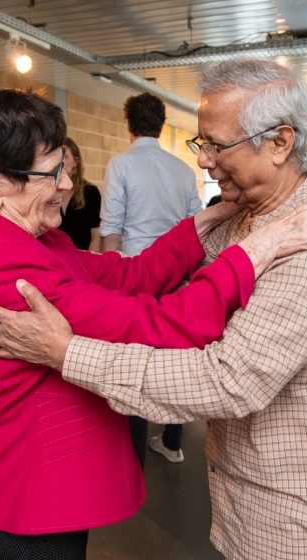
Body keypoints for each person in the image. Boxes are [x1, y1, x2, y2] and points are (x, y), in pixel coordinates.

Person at [0, 59, 307, 560]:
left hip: (303, 505)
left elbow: (226, 376)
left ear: (280, 143)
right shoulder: (257, 219)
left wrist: (67, 352)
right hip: (241, 488)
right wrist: (253, 243)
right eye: (201, 143)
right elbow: (158, 309)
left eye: (216, 145)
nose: (204, 161)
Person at [100, 92, 203, 465]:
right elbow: (196, 226)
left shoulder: (121, 164)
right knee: (174, 357)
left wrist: (109, 282)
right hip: (176, 273)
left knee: (135, 364)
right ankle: (173, 442)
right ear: (160, 126)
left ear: (129, 125)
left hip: (136, 271)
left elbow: (111, 230)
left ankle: (132, 459)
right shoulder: (182, 170)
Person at [57, 137, 101, 252]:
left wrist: (90, 264)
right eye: (57, 157)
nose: (60, 161)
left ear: (75, 162)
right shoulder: (50, 191)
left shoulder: (90, 192)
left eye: (65, 157)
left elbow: (96, 234)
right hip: (56, 257)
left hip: (83, 256)